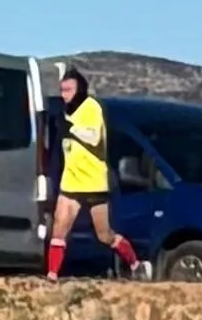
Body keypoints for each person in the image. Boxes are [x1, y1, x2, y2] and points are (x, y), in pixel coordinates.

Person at [42, 66, 139, 278]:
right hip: (71, 181)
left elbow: (94, 138)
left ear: (80, 90)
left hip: (93, 182)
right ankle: (51, 275)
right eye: (62, 90)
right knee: (59, 229)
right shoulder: (65, 112)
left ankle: (134, 262)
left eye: (69, 90)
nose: (65, 94)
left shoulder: (91, 107)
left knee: (104, 235)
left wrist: (72, 130)